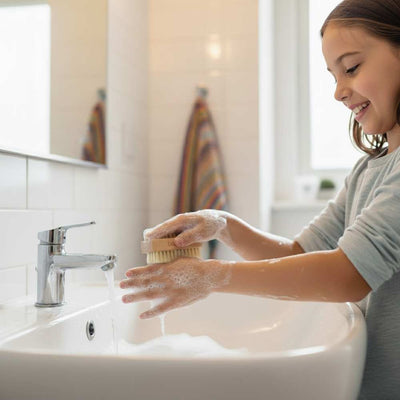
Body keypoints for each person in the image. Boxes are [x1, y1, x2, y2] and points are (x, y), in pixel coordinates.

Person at [120, 0, 400, 398]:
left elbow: (347, 275)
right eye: (333, 75)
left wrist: (213, 277)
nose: (338, 91)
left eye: (351, 68)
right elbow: (300, 253)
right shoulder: (367, 170)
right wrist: (224, 224)